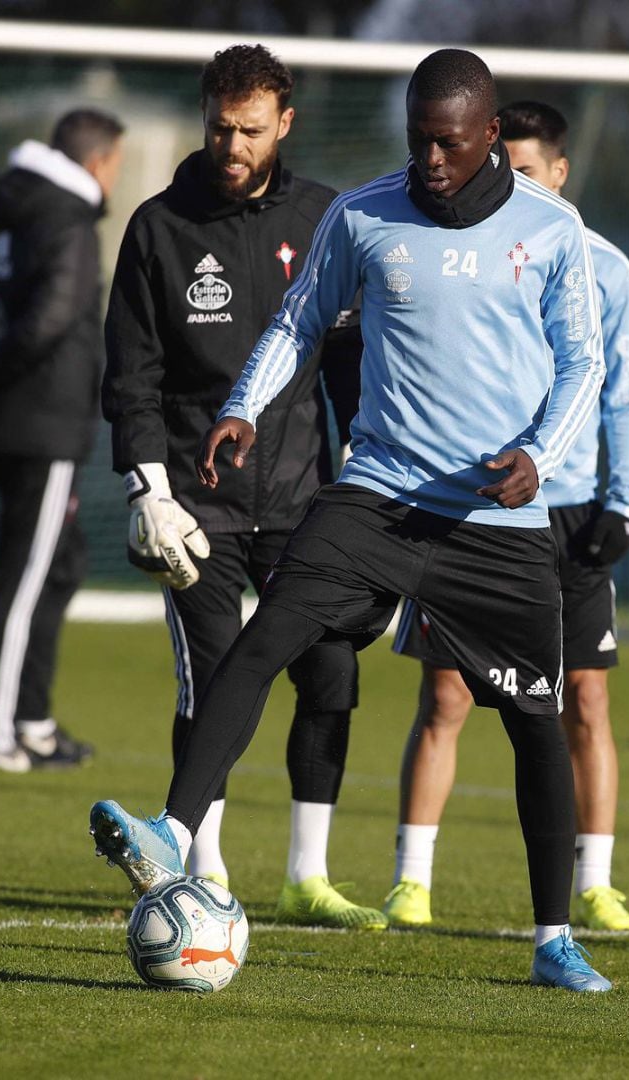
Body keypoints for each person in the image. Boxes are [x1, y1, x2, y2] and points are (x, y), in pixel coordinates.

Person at [90, 47, 613, 992]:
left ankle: (552, 940)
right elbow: (297, 321)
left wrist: (541, 455)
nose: (431, 161)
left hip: (496, 520)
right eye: (418, 140)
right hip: (374, 494)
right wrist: (245, 404)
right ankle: (173, 831)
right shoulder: (364, 214)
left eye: (449, 143)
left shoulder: (553, 231)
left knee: (537, 723)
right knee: (262, 642)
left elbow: (585, 366)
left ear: (491, 135)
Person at [100, 45, 374, 929]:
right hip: (195, 503)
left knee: (330, 672)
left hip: (305, 498)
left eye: (251, 130)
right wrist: (149, 489)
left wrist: (369, 468)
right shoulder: (157, 227)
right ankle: (202, 870)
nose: (233, 144)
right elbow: (131, 375)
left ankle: (309, 872)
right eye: (221, 127)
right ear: (205, 115)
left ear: (283, 124)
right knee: (216, 678)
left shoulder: (328, 217)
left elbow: (349, 363)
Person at [382, 101, 629, 933]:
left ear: (559, 176)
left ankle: (596, 881)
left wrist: (624, 500)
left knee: (585, 703)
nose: (513, 188)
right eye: (507, 171)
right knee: (447, 696)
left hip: (567, 517)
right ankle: (411, 879)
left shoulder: (602, 267)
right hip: (474, 508)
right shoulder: (457, 252)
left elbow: (626, 393)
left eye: (529, 174)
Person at [0, 108, 125, 772]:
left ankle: (33, 721)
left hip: (4, 419)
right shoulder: (67, 221)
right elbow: (48, 321)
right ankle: (0, 734)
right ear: (97, 162)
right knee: (24, 577)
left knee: (62, 562)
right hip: (43, 425)